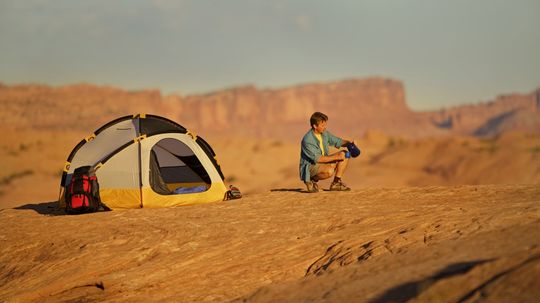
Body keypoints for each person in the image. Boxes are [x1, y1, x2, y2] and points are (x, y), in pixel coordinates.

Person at [299, 112, 356, 193]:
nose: (325, 127)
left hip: (322, 162)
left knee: (345, 154)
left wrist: (349, 144)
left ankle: (336, 183)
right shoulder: (307, 140)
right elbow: (318, 159)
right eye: (322, 125)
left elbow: (338, 141)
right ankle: (311, 180)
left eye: (325, 125)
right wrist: (337, 157)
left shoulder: (324, 133)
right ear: (315, 126)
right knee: (329, 171)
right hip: (311, 167)